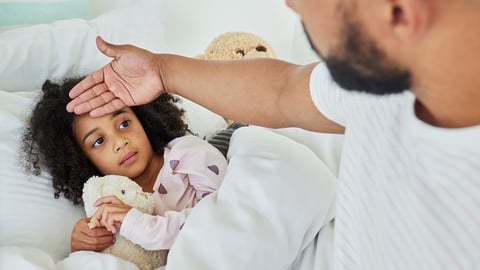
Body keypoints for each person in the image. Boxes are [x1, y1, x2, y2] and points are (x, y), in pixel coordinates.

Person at [65, 1, 480, 269]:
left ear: (397, 13)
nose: (290, 3)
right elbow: (281, 90)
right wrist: (162, 70)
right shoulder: (385, 83)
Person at [21, 77, 228, 252]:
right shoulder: (109, 204)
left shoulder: (188, 154)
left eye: (124, 124)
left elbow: (222, 218)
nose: (121, 142)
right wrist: (82, 245)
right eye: (99, 141)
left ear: (143, 117)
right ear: (82, 160)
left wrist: (138, 225)